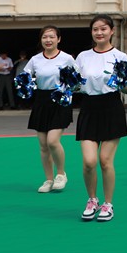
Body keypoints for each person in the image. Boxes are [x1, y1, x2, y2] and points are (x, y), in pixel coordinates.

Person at [75, 14, 127, 222]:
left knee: (105, 161)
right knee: (89, 162)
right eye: (95, 29)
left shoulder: (120, 56)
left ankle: (108, 204)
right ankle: (92, 200)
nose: (99, 33)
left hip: (111, 108)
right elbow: (75, 85)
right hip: (89, 108)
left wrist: (122, 80)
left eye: (103, 29)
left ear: (111, 31)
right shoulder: (82, 57)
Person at [23, 26, 75, 194]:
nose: (48, 40)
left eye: (52, 37)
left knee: (52, 141)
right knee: (43, 145)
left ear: (58, 39)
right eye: (45, 37)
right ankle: (48, 179)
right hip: (41, 101)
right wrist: (25, 85)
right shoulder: (35, 59)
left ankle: (61, 174)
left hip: (60, 99)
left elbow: (77, 79)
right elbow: (25, 77)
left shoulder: (67, 58)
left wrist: (70, 88)